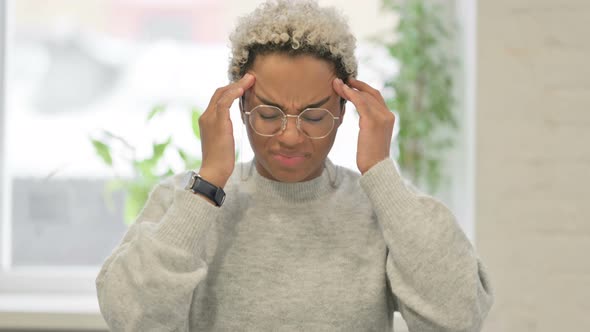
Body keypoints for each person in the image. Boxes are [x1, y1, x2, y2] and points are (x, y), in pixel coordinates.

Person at [96, 0, 494, 331]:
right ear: (240, 107)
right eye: (269, 114)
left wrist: (380, 171)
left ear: (344, 109)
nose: (290, 136)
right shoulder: (186, 204)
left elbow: (459, 317)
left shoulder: (381, 214)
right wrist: (209, 182)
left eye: (314, 117)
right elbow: (131, 318)